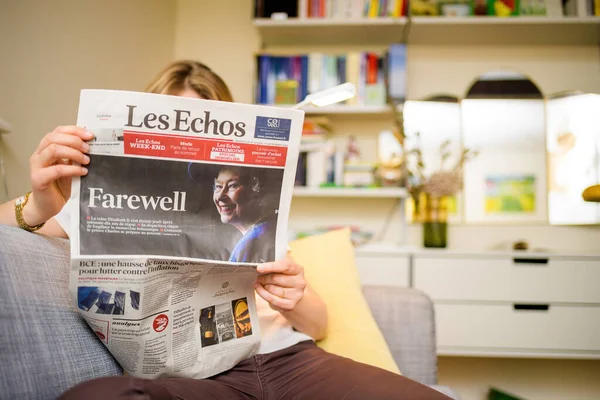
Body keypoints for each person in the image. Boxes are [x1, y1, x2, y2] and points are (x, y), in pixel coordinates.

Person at [0, 60, 451, 400]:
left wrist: (293, 293)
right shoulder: (104, 202)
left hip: (291, 360)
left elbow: (319, 322)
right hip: (199, 380)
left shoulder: (258, 216)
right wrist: (39, 203)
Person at [210, 165, 276, 263]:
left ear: (255, 187)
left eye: (232, 185)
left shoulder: (261, 238)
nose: (220, 197)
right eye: (218, 186)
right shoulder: (252, 238)